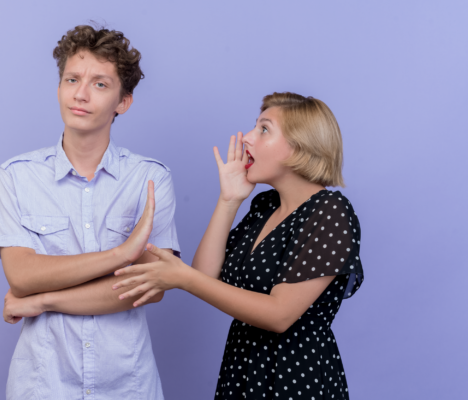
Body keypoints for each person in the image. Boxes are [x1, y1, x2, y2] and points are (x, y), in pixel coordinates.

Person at [113, 92, 364, 399]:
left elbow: (279, 315)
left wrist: (182, 277)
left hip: (294, 377)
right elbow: (205, 275)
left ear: (299, 146)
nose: (247, 137)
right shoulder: (266, 207)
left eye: (264, 129)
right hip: (243, 370)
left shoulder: (330, 212)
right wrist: (229, 200)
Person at [0, 25, 179, 400]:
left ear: (123, 102)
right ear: (59, 87)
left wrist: (43, 299)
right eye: (72, 79)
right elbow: (21, 277)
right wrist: (122, 254)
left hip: (127, 386)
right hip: (43, 387)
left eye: (100, 84)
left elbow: (150, 288)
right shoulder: (17, 176)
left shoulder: (150, 179)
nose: (81, 94)